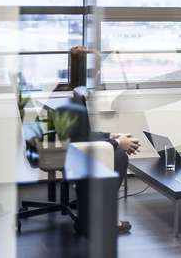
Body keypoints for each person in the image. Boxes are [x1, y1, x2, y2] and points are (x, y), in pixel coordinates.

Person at [53, 46, 141, 233]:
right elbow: (81, 144)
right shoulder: (74, 99)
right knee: (119, 156)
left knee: (116, 150)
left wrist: (111, 136)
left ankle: (91, 206)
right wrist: (118, 144)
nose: (100, 71)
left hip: (62, 150)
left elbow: (82, 135)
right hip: (72, 155)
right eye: (97, 67)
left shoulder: (69, 91)